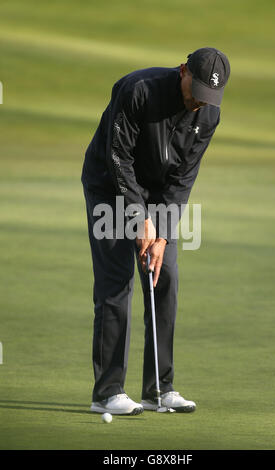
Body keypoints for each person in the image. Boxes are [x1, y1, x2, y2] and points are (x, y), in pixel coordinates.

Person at [81, 47, 230, 415]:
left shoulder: (208, 114)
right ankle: (108, 391)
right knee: (117, 283)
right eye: (194, 90)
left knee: (165, 280)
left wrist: (160, 234)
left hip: (158, 195)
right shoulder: (138, 90)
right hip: (109, 185)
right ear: (182, 70)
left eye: (207, 96)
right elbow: (119, 158)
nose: (198, 101)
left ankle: (159, 389)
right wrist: (139, 217)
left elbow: (183, 178)